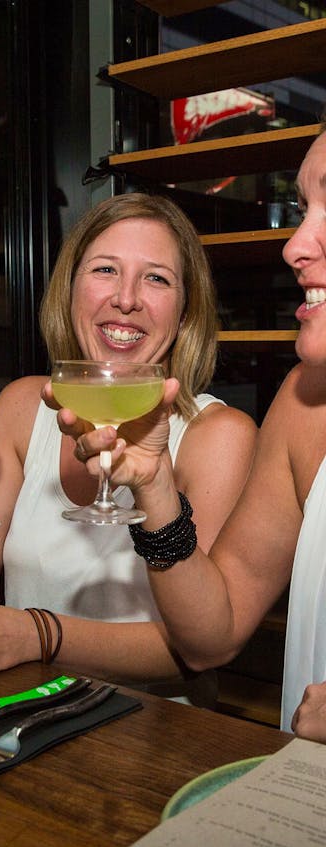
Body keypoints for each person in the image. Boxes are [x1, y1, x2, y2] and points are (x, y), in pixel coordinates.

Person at [0, 193, 256, 698]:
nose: (126, 298)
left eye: (157, 278)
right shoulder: (19, 407)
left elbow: (196, 650)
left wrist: (34, 634)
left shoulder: (219, 434)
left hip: (156, 735)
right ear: (70, 290)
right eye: (105, 269)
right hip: (25, 716)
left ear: (185, 312)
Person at [64, 126, 326, 741]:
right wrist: (155, 490)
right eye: (304, 209)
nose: (294, 247)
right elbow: (214, 635)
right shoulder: (301, 404)